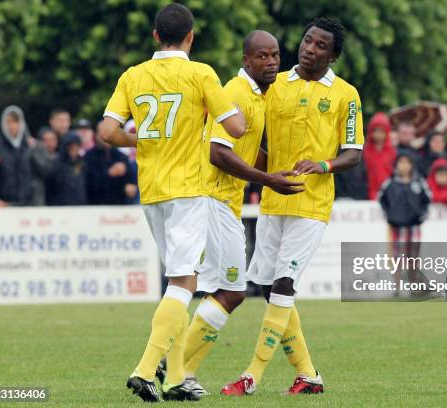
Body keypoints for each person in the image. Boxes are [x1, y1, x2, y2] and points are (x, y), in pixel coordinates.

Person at [98, 3, 246, 402]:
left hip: (151, 190)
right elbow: (236, 126)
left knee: (181, 281)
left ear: (154, 36)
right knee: (183, 283)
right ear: (191, 37)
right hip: (188, 190)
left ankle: (177, 377)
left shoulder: (133, 75)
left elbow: (108, 131)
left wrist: (139, 141)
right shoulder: (200, 73)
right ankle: (146, 370)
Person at [154, 30, 303, 398]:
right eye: (262, 56)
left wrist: (278, 170)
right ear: (247, 59)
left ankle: (175, 367)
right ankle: (178, 369)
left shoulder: (259, 96)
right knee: (232, 290)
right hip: (213, 199)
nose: (271, 63)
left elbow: (247, 151)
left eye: (275, 56)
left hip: (223, 202)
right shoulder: (236, 91)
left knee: (227, 290)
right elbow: (218, 152)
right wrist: (268, 179)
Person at [221, 17, 364, 396]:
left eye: (320, 46)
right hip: (272, 200)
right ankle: (309, 376)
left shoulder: (346, 94)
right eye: (306, 40)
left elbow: (354, 153)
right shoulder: (275, 84)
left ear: (333, 55)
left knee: (285, 283)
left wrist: (324, 165)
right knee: (269, 287)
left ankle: (252, 375)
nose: (309, 48)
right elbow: (253, 137)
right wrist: (259, 170)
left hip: (312, 204)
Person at [378, 152, 431, 291]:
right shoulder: (390, 183)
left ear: (412, 165)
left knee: (413, 257)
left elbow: (428, 200)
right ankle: (396, 288)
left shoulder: (419, 182)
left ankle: (414, 286)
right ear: (396, 165)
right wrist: (389, 217)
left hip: (414, 226)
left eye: (407, 163)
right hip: (397, 226)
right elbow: (381, 201)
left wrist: (422, 216)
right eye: (401, 162)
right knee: (397, 258)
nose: (404, 166)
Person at [0, 105, 45, 207]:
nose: (12, 126)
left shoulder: (30, 145)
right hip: (4, 204)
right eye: (8, 122)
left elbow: (41, 173)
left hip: (29, 204)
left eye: (15, 122)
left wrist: (35, 151)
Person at [84, 122, 137, 205]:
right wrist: (109, 173)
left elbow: (131, 182)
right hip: (94, 207)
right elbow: (87, 183)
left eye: (109, 132)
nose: (106, 136)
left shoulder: (122, 157)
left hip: (119, 208)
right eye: (103, 132)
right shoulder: (88, 156)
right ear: (96, 135)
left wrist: (130, 187)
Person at [45, 131, 87, 206]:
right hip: (60, 206)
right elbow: (50, 187)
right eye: (70, 146)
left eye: (76, 145)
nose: (73, 148)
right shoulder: (56, 164)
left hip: (81, 206)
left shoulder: (83, 163)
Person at [363, 112, 396, 199]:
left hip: (388, 192)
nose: (378, 135)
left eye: (381, 131)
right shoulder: (365, 150)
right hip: (368, 191)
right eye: (375, 131)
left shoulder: (392, 151)